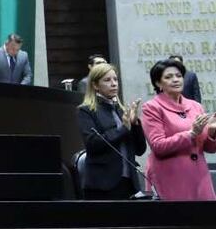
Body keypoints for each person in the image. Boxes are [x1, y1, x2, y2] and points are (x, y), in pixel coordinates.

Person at [141, 58, 216, 200]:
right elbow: (158, 146)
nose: (175, 80)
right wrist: (191, 134)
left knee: (206, 220)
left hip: (199, 177)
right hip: (171, 176)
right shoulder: (152, 107)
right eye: (168, 77)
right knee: (176, 221)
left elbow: (208, 148)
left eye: (178, 76)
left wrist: (212, 132)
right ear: (158, 83)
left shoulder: (195, 106)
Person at [76, 63, 145, 199]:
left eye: (115, 79)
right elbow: (93, 144)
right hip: (102, 184)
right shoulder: (86, 110)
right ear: (95, 85)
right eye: (107, 80)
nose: (113, 84)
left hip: (128, 183)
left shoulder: (122, 110)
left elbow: (140, 150)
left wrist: (135, 124)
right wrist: (123, 129)